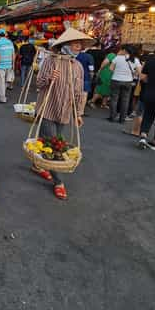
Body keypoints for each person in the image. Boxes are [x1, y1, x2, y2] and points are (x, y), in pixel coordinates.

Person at [32, 28, 90, 200]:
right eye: (75, 43)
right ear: (65, 45)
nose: (78, 47)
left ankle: (37, 165)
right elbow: (39, 83)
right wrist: (50, 78)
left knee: (47, 142)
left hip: (64, 112)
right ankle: (58, 182)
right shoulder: (51, 61)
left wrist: (78, 113)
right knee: (56, 147)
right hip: (47, 109)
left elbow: (78, 92)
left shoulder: (78, 66)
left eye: (80, 44)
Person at [109, 46, 141, 123]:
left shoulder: (117, 58)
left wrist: (117, 72)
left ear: (125, 51)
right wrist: (133, 75)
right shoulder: (135, 60)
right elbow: (139, 71)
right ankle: (122, 119)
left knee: (114, 99)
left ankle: (112, 117)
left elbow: (111, 68)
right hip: (128, 81)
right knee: (125, 100)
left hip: (116, 80)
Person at [0, 28, 15, 103]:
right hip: (9, 64)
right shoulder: (10, 42)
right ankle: (3, 94)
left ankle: (2, 98)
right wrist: (13, 64)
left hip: (1, 65)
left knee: (1, 81)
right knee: (6, 81)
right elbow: (13, 54)